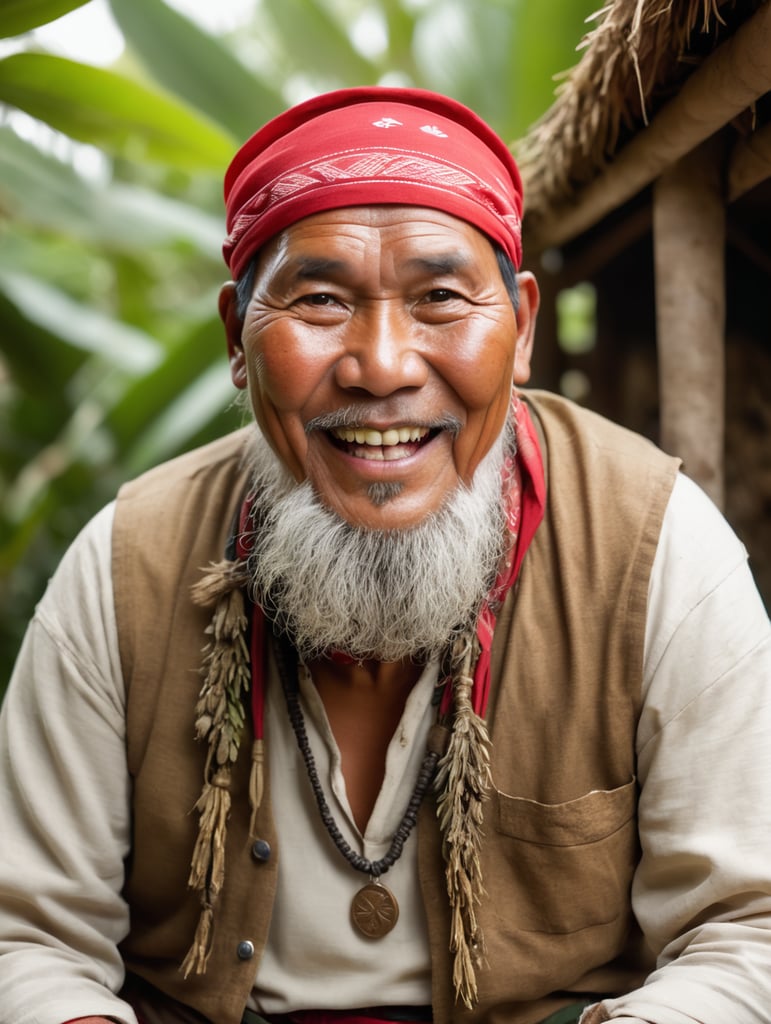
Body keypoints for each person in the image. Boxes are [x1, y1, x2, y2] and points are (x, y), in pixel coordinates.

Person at [0, 86, 769, 1024]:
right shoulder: (126, 565)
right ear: (236, 340)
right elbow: (26, 937)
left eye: (441, 299)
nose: (381, 364)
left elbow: (746, 930)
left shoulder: (659, 550)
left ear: (521, 329)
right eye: (319, 299)